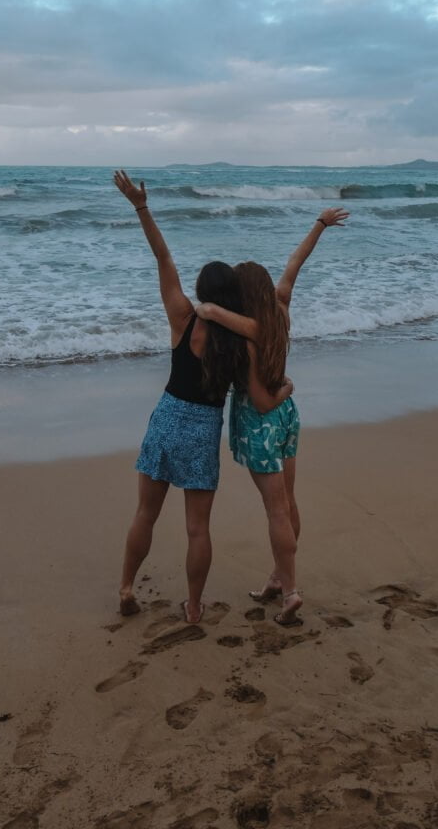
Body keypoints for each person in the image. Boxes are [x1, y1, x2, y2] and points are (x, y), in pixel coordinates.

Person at [113, 170, 292, 624]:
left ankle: (127, 586)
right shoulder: (242, 342)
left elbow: (163, 256)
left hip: (168, 418)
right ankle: (193, 607)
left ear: (200, 291)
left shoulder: (184, 318)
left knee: (145, 514)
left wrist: (140, 206)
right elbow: (264, 349)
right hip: (203, 430)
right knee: (197, 528)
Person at [196, 207, 349, 626]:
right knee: (288, 504)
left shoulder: (250, 336)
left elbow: (261, 402)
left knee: (276, 511)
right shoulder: (281, 308)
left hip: (264, 419)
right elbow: (295, 262)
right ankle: (279, 580)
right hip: (288, 418)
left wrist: (208, 309)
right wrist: (319, 225)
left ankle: (291, 590)